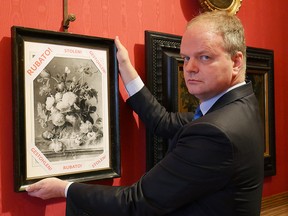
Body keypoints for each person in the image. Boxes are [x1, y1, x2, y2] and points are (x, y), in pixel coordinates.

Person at [26, 10, 264, 216]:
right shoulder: (239, 105)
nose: (189, 68)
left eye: (204, 57)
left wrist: (64, 189)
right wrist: (126, 69)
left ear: (235, 62)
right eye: (186, 57)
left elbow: (137, 203)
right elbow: (163, 122)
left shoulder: (214, 132)